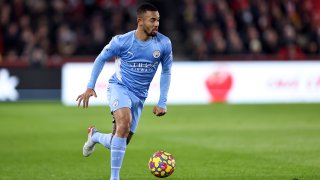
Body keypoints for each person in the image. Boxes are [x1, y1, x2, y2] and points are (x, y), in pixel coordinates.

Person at [76, 3, 173, 180]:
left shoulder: (164, 43)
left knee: (120, 139)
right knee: (124, 123)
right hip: (119, 87)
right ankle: (115, 177)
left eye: (158, 20)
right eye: (152, 20)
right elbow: (101, 58)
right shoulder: (122, 41)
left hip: (139, 96)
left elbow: (166, 71)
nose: (157, 24)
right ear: (140, 21)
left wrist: (162, 101)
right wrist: (90, 86)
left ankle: (95, 136)